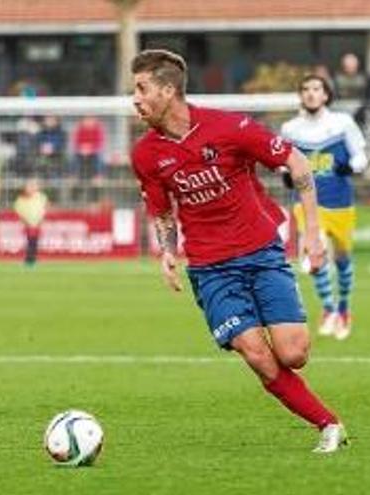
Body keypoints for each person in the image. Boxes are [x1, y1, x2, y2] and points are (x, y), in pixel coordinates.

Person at [129, 49, 347, 453]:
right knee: (257, 355)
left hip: (261, 253)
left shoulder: (229, 127)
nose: (135, 99)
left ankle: (317, 408)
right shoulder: (145, 154)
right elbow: (160, 210)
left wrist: (313, 233)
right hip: (211, 269)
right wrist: (167, 251)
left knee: (293, 352)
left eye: (142, 89)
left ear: (168, 90)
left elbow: (297, 163)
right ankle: (328, 424)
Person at [282, 75, 369, 340]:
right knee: (314, 256)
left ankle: (343, 307)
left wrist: (350, 167)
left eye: (316, 89)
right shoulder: (291, 129)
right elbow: (281, 161)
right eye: (305, 89)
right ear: (301, 95)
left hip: (340, 202)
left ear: (326, 95)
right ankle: (329, 309)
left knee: (342, 260)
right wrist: (285, 173)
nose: (310, 93)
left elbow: (361, 156)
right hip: (308, 204)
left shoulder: (342, 123)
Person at [13, 178, 48, 267]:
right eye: (29, 186)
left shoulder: (41, 197)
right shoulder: (22, 198)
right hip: (28, 223)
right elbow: (18, 209)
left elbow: (44, 207)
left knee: (33, 241)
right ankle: (30, 259)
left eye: (33, 186)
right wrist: (24, 220)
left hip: (37, 223)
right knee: (31, 241)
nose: (31, 188)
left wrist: (41, 219)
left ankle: (31, 259)